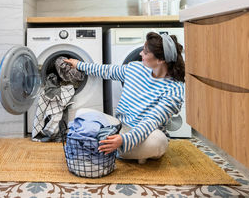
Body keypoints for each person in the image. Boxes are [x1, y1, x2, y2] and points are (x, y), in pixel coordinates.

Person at [64, 32, 185, 164]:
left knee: (159, 141)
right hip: (119, 127)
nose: (141, 54)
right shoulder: (135, 68)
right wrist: (79, 64)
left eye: (145, 52)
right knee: (82, 114)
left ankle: (106, 147)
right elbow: (106, 70)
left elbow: (151, 122)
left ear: (160, 60)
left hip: (147, 135)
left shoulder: (174, 90)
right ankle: (117, 150)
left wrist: (123, 140)